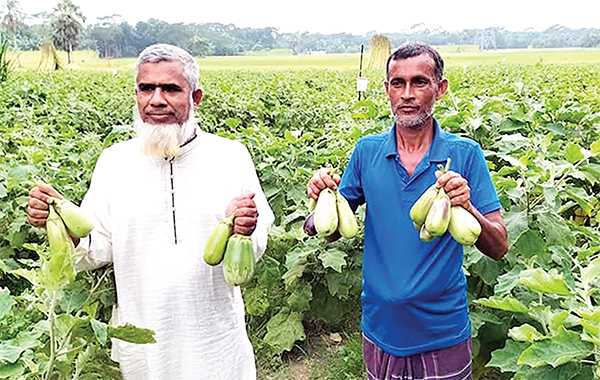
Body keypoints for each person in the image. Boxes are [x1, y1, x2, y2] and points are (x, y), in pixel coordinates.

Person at [27, 43, 274, 380]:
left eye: (171, 89)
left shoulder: (231, 157)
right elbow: (95, 247)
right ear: (137, 94)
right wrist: (57, 221)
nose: (157, 99)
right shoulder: (114, 162)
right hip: (143, 336)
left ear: (195, 97)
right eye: (147, 88)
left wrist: (244, 229)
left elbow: (256, 245)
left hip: (215, 338)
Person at [307, 41, 508, 380]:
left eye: (420, 82)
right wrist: (321, 198)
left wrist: (467, 205)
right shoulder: (366, 152)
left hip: (443, 331)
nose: (407, 94)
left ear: (440, 89)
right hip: (380, 328)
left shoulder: (466, 154)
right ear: (386, 90)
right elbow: (329, 232)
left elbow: (499, 246)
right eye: (398, 83)